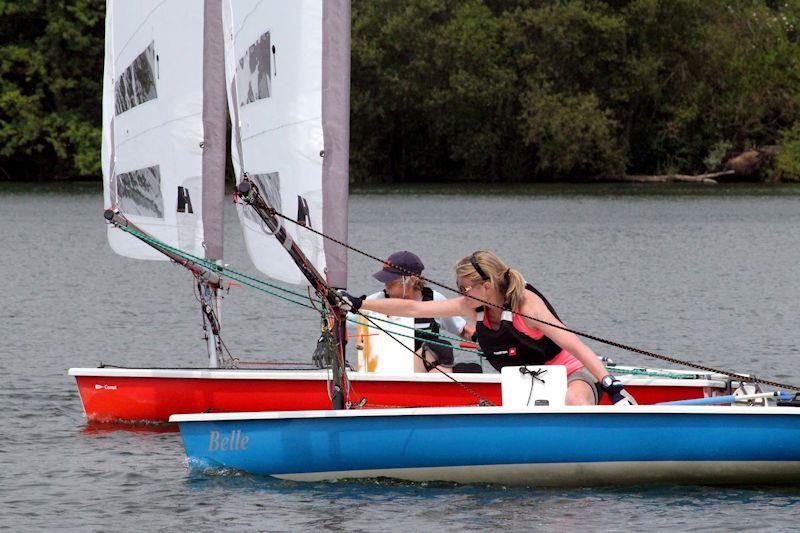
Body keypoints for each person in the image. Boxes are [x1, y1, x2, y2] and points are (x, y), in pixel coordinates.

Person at [337, 250, 636, 406]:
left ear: (488, 285)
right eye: (458, 287)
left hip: (573, 373)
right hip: (530, 383)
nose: (461, 294)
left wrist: (612, 386)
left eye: (465, 287)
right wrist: (360, 303)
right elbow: (414, 308)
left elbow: (576, 345)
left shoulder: (527, 306)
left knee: (574, 401)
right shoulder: (472, 306)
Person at [365, 251, 476, 373]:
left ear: (411, 280)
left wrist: (489, 340)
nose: (386, 286)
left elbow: (463, 330)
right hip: (385, 370)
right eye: (385, 282)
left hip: (422, 371)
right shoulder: (375, 301)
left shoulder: (434, 300)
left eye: (391, 283)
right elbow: (344, 318)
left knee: (443, 348)